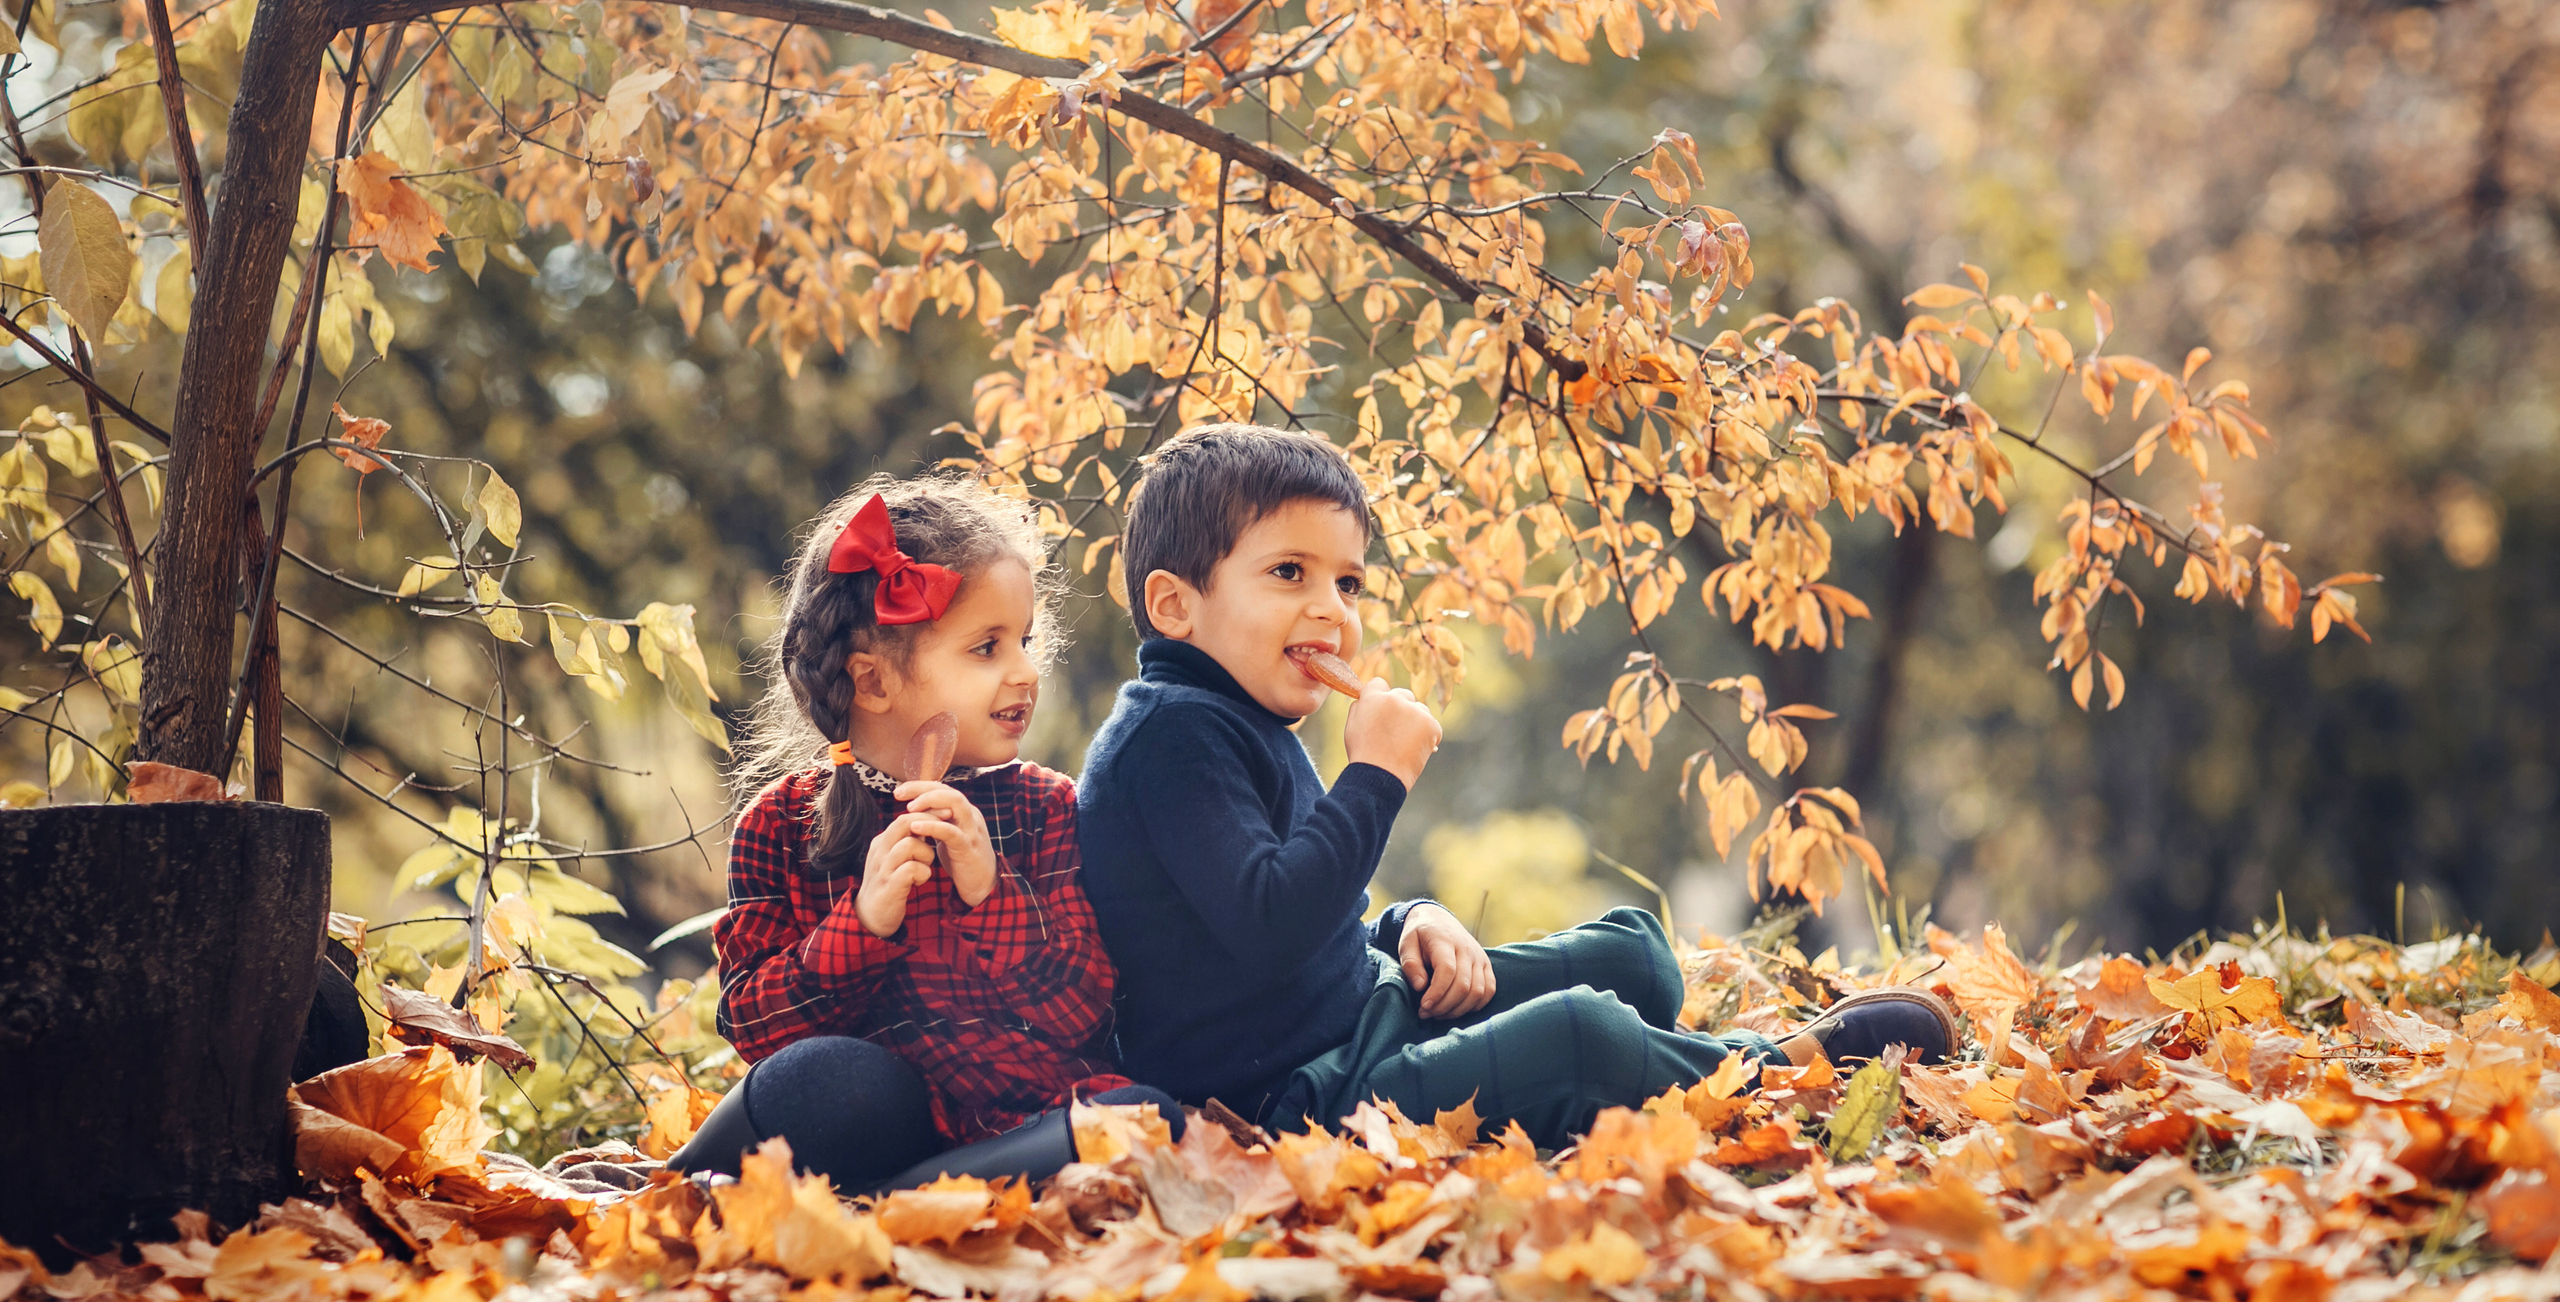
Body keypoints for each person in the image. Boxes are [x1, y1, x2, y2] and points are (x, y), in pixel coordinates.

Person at [1076, 424, 1955, 1148]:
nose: (1333, 609)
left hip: (1365, 1009)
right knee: (1582, 1033)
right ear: (1174, 606)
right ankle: (1773, 1071)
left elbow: (1306, 908)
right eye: (1289, 573)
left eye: (1348, 582)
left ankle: (1671, 1059)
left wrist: (1407, 919)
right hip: (1297, 1098)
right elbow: (1269, 922)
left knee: (1633, 951)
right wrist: (1376, 775)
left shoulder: (1235, 715)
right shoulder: (1169, 737)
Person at [672, 476, 1178, 1194]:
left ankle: (895, 1204)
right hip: (872, 1119)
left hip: (1021, 1124)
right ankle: (675, 1181)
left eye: (1025, 640)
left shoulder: (1045, 808)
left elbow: (1084, 1010)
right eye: (987, 647)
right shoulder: (779, 824)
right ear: (873, 682)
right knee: (827, 1079)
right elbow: (755, 1028)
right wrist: (861, 925)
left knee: (1144, 1119)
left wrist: (991, 892)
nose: (1026, 670)